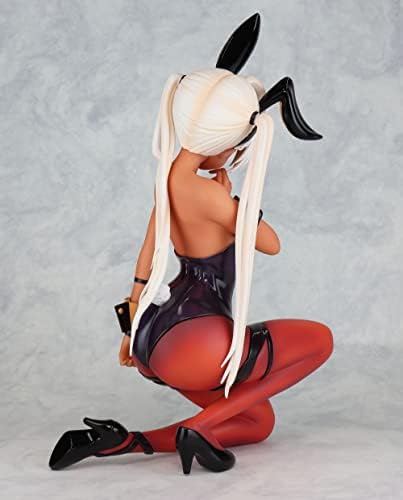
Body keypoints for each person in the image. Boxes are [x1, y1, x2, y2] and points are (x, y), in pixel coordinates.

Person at [49, 13, 333, 475]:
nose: (235, 155)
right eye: (237, 144)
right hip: (200, 339)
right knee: (320, 341)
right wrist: (236, 203)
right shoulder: (212, 196)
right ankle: (200, 428)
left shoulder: (167, 181)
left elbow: (145, 259)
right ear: (223, 138)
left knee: (257, 422)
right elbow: (271, 244)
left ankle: (123, 441)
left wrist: (129, 329)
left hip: (156, 339)